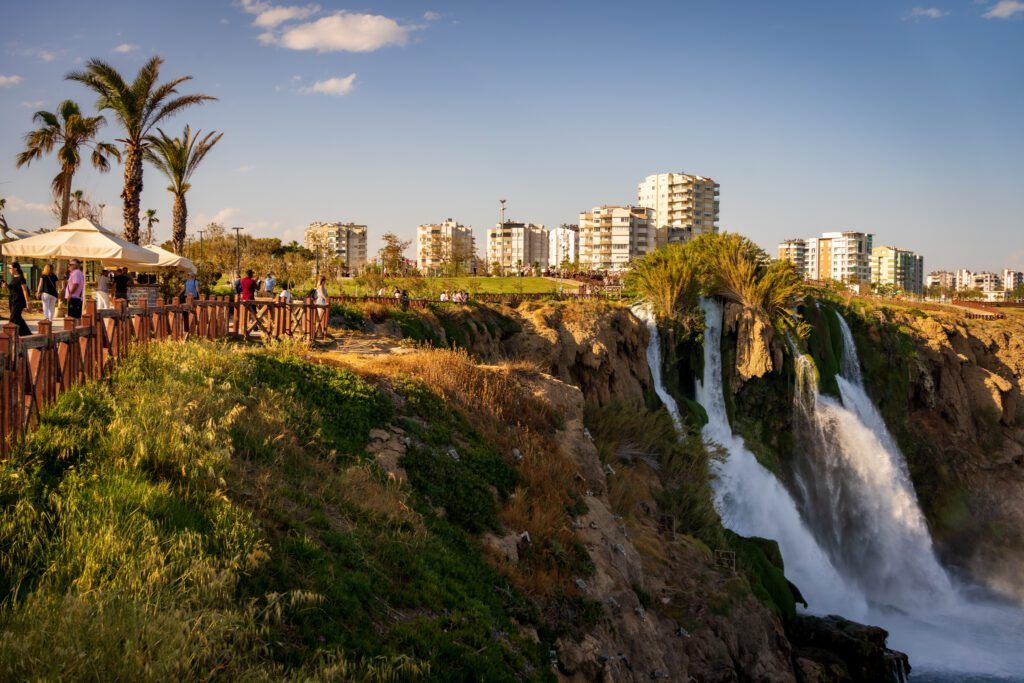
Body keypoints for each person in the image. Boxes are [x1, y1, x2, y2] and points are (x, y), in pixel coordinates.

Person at [6, 262, 32, 336]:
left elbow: (25, 290)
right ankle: (27, 334)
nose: (9, 270)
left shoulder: (21, 278)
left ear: (15, 268)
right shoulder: (13, 277)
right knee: (18, 318)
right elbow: (13, 289)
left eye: (10, 268)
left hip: (19, 301)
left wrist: (27, 303)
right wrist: (6, 286)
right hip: (12, 300)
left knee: (13, 319)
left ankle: (8, 336)